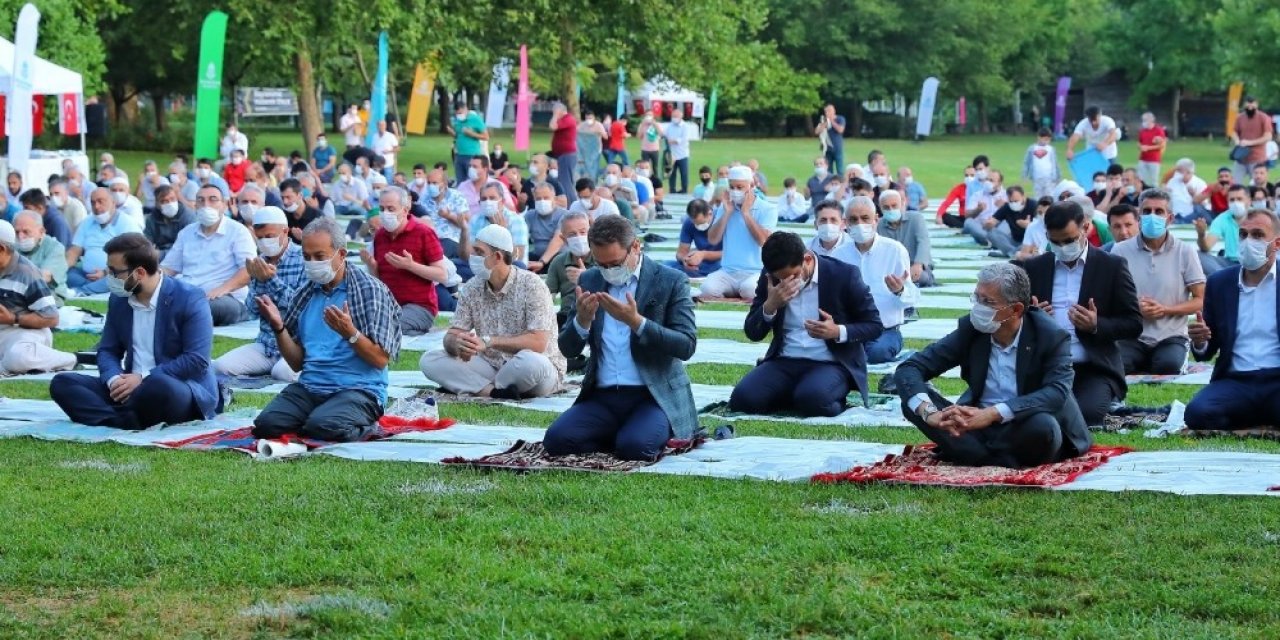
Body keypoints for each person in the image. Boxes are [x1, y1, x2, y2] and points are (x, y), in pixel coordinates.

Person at [893, 263, 1091, 468]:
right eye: (977, 298)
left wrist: (992, 414)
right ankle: (995, 458)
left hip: (1024, 421)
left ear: (1015, 309)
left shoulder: (1050, 336)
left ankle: (972, 454)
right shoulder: (972, 330)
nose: (979, 307)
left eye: (987, 302)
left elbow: (1056, 392)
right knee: (914, 401)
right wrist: (930, 413)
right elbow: (910, 368)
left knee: (1043, 428)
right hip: (974, 424)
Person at [542, 214, 697, 460]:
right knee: (557, 441)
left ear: (635, 246)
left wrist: (637, 322)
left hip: (652, 395)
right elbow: (567, 349)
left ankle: (643, 430)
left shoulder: (671, 280)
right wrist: (582, 322)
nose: (608, 271)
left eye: (614, 264)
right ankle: (621, 432)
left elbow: (686, 345)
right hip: (603, 396)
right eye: (601, 264)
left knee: (635, 448)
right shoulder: (590, 279)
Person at [251, 218, 402, 442]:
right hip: (311, 387)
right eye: (307, 257)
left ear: (341, 254)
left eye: (319, 256)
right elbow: (297, 364)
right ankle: (318, 418)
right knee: (266, 426)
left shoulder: (370, 291)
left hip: (359, 390)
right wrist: (279, 327)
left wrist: (350, 334)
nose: (312, 263)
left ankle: (369, 427)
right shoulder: (304, 295)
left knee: (322, 427)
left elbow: (380, 360)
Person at [50, 233, 220, 429]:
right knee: (63, 383)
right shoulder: (119, 299)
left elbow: (196, 360)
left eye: (114, 272)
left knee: (160, 386)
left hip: (175, 387)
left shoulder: (190, 298)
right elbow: (107, 350)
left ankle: (116, 416)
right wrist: (114, 380)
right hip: (128, 387)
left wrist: (143, 378)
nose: (109, 278)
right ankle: (124, 420)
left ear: (139, 273)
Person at [1016, 200, 1143, 425]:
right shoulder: (1035, 267)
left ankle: (1106, 398)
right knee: (1026, 412)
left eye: (1069, 240)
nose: (1063, 247)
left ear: (1085, 227)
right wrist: (1033, 317)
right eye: (1055, 242)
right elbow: (1014, 318)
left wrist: (1096, 325)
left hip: (1093, 366)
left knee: (1085, 416)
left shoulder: (1111, 266)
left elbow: (1133, 323)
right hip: (1046, 365)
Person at [728, 231, 881, 417]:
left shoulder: (844, 274)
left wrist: (837, 331)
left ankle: (817, 394)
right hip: (784, 360)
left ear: (807, 259)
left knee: (812, 400)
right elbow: (753, 333)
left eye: (793, 275)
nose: (786, 282)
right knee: (743, 400)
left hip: (830, 362)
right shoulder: (770, 278)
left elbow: (874, 325)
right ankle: (790, 392)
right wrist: (770, 306)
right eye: (781, 278)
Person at [420, 225, 564, 399]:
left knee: (532, 362)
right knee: (430, 359)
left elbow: (538, 343)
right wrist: (457, 343)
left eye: (479, 252)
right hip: (490, 365)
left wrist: (489, 341)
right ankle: (493, 392)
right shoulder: (472, 287)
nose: (472, 256)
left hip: (532, 369)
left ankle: (473, 386)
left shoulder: (532, 285)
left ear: (497, 257)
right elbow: (453, 334)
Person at [1185, 208, 1280, 429]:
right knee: (1197, 413)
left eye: (1258, 235)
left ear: (1276, 243)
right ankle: (1261, 414)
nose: (1248, 241)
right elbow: (1207, 348)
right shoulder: (1220, 282)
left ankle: (1258, 413)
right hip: (1236, 380)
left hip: (1277, 379)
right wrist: (1200, 341)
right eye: (1243, 235)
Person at [1111, 189, 1205, 375]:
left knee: (1168, 367)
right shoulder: (1120, 251)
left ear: (1170, 218)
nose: (1152, 216)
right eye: (1147, 211)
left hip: (1171, 335)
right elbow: (1109, 297)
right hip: (1132, 335)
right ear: (1139, 216)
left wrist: (1165, 310)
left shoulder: (1185, 251)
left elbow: (1200, 299)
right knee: (1119, 367)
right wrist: (1135, 309)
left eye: (1159, 211)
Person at [212, 207, 304, 382]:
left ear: (285, 232)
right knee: (219, 367)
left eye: (269, 236)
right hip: (266, 345)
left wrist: (271, 280)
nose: (264, 242)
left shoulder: (303, 258)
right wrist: (258, 281)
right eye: (260, 238)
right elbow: (252, 311)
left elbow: (299, 309)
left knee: (282, 373)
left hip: (297, 346)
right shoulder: (259, 262)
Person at [832, 197, 919, 364]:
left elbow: (912, 299)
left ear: (876, 220)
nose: (859, 224)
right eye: (853, 220)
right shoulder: (838, 255)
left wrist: (899, 291)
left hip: (885, 330)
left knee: (877, 353)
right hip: (851, 330)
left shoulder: (895, 250)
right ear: (845, 223)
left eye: (865, 218)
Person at [160, 185, 256, 326]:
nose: (206, 205)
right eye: (201, 200)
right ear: (195, 206)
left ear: (224, 205)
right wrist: (148, 281)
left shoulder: (238, 231)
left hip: (225, 298)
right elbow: (168, 268)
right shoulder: (187, 233)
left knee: (203, 307)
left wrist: (222, 289)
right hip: (189, 294)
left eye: (213, 199)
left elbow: (249, 270)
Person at [361, 187, 449, 336]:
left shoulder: (423, 232)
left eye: (391, 209)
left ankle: (417, 330)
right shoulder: (380, 235)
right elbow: (379, 282)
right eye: (382, 209)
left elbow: (442, 275)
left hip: (420, 306)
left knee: (389, 328)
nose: (385, 213)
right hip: (389, 304)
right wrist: (373, 267)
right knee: (359, 322)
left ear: (405, 210)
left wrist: (411, 266)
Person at [700, 166, 777, 299]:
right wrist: (727, 213)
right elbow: (712, 239)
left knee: (749, 290)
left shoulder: (768, 209)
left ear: (751, 186)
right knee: (707, 289)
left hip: (756, 271)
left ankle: (738, 291)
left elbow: (763, 241)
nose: (735, 191)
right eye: (732, 187)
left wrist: (746, 213)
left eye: (740, 187)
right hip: (727, 271)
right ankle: (735, 291)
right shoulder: (725, 207)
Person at [67, 188, 145, 295]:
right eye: (93, 202)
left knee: (122, 278)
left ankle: (82, 290)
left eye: (101, 201)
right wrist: (62, 268)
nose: (96, 206)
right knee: (69, 274)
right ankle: (91, 288)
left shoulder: (127, 223)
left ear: (113, 202)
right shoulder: (87, 222)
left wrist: (105, 272)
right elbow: (74, 251)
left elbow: (134, 255)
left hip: (113, 274)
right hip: (86, 275)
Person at [544, 211, 593, 324]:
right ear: (564, 239)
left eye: (583, 232)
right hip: (566, 316)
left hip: (594, 315)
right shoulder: (559, 261)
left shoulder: (603, 258)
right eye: (572, 235)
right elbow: (548, 296)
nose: (579, 237)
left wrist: (586, 278)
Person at [877, 190, 934, 287]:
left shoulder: (916, 218)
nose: (891, 210)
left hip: (915, 265)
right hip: (890, 269)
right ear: (881, 208)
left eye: (894, 206)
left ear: (902, 204)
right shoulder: (878, 225)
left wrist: (918, 264)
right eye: (886, 207)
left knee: (921, 277)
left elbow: (924, 242)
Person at [1197, 184, 1250, 276]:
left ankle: (1223, 278)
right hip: (1229, 263)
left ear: (1249, 201)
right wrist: (1201, 235)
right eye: (1232, 200)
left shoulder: (1259, 217)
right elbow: (1206, 247)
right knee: (1197, 255)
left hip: (1252, 263)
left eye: (1239, 199)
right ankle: (1223, 277)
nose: (1236, 203)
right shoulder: (1222, 219)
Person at [469, 183, 529, 264]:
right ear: (479, 202)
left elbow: (518, 256)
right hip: (482, 265)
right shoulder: (475, 220)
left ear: (502, 201)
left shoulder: (516, 220)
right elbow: (470, 253)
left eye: (492, 198)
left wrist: (503, 233)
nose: (488, 202)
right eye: (484, 199)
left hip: (510, 265)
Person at [14, 211, 69, 298]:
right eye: (17, 232)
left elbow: (44, 276)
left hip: (48, 296)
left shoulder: (55, 247)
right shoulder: (12, 246)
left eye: (26, 232)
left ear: (41, 231)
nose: (20, 237)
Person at [420, 168, 469, 259]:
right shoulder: (423, 198)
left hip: (449, 239)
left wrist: (449, 216)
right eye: (429, 183)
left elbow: (465, 223)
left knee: (437, 254)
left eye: (434, 183)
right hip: (428, 239)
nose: (431, 186)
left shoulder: (456, 196)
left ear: (445, 183)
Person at [668, 198, 723, 277]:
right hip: (701, 263)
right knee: (667, 265)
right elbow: (681, 252)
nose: (698, 226)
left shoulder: (723, 219)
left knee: (724, 266)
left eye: (701, 223)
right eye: (695, 223)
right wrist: (686, 260)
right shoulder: (688, 223)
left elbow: (732, 253)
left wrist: (704, 254)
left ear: (710, 214)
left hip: (720, 262)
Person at [142, 185, 195, 260]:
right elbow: (146, 243)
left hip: (184, 257)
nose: (170, 203)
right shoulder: (151, 219)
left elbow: (189, 247)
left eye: (172, 199)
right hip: (158, 257)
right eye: (164, 201)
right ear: (157, 204)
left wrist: (161, 254)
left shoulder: (188, 216)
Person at [524, 184, 568, 272]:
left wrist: (542, 262)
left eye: (546, 198)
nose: (542, 201)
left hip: (558, 257)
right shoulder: (530, 215)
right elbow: (521, 236)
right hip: (537, 256)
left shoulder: (565, 215)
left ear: (554, 199)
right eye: (538, 199)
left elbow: (558, 240)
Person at [1232, 95, 1274, 184]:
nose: (1250, 107)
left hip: (1257, 158)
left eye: (1252, 104)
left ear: (1257, 105)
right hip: (1241, 157)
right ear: (1244, 105)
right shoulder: (1240, 117)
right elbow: (1234, 132)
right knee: (1235, 183)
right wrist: (1237, 140)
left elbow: (1268, 136)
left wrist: (1250, 143)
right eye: (1248, 104)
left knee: (1257, 184)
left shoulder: (1263, 117)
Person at [447, 102, 489, 185]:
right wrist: (452, 133)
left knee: (472, 180)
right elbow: (458, 136)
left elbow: (486, 136)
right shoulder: (458, 121)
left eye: (460, 113)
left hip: (472, 155)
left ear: (465, 109)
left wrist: (472, 134)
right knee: (460, 181)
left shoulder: (475, 119)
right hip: (459, 154)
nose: (459, 115)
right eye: (457, 113)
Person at [987, 186, 1032, 258]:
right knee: (991, 232)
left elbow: (1043, 227)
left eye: (1016, 201)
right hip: (1013, 242)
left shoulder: (1034, 205)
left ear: (1024, 196)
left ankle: (1011, 253)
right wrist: (989, 223)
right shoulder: (1007, 207)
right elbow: (992, 221)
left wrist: (1029, 226)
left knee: (1035, 243)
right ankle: (1013, 253)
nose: (1013, 203)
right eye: (1011, 201)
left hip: (1028, 243)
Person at [1165, 158, 1211, 224]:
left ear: (1189, 172)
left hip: (1193, 216)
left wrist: (1193, 195)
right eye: (1177, 170)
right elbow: (1166, 200)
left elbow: (1204, 207)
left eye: (1179, 171)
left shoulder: (1200, 184)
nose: (1176, 173)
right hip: (1175, 215)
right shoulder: (1172, 181)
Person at [548, 102, 579, 201]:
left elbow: (552, 126)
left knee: (565, 181)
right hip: (561, 154)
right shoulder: (563, 120)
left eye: (554, 111)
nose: (553, 113)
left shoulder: (568, 119)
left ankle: (570, 202)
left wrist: (555, 115)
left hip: (566, 154)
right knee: (563, 180)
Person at [279, 178, 322, 243]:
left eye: (288, 197)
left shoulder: (317, 217)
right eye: (282, 198)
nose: (285, 202)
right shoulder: (283, 216)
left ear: (300, 195)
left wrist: (303, 239)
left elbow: (323, 244)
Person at [1022, 128, 1061, 200]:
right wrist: (1024, 175)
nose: (1047, 141)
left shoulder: (1051, 149)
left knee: (1049, 196)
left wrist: (1058, 176)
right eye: (1045, 139)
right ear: (1039, 137)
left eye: (1048, 140)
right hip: (1037, 177)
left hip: (1049, 177)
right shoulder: (1032, 148)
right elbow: (1026, 162)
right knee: (1038, 196)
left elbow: (1055, 163)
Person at [1137, 112, 1167, 188]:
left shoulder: (1158, 130)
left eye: (1145, 120)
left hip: (1154, 159)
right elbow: (1139, 142)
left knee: (1154, 180)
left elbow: (1162, 145)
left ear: (1150, 120)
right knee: (1140, 179)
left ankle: (1155, 193)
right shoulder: (1142, 131)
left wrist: (1148, 148)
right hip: (1143, 158)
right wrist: (1141, 147)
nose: (1143, 122)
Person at [665, 108, 691, 193]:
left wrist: (674, 141)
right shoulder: (670, 126)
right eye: (673, 116)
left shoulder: (685, 126)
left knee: (684, 173)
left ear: (681, 116)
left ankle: (684, 189)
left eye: (676, 116)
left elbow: (684, 139)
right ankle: (672, 189)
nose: (674, 118)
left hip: (682, 154)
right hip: (672, 154)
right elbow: (666, 135)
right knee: (672, 173)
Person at [576, 111, 606, 181]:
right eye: (587, 118)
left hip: (596, 150)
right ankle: (587, 180)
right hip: (585, 150)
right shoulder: (582, 125)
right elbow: (576, 132)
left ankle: (595, 181)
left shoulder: (599, 125)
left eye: (590, 118)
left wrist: (600, 132)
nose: (588, 120)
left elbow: (605, 136)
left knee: (595, 166)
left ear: (594, 117)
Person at [816, 104, 846, 173]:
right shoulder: (823, 120)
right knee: (828, 170)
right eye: (826, 111)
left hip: (837, 148)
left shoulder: (840, 119)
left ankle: (840, 180)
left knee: (840, 170)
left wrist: (831, 121)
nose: (827, 113)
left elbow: (840, 130)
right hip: (827, 149)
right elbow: (817, 131)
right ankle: (830, 180)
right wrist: (825, 124)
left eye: (829, 111)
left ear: (834, 111)